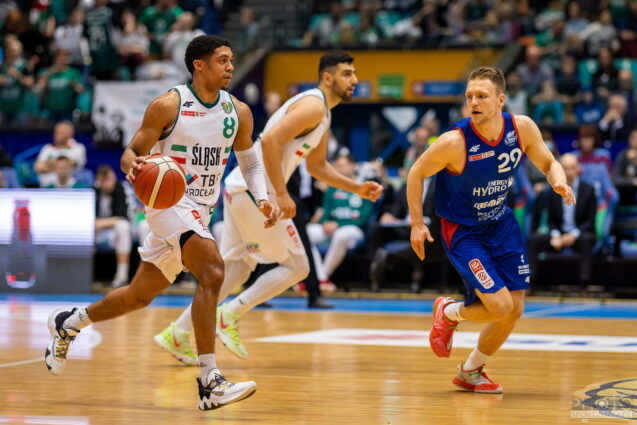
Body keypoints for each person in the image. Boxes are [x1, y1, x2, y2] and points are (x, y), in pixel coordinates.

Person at [44, 35, 276, 411]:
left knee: (139, 295)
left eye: (231, 60)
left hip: (202, 209)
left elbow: (249, 161)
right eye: (222, 60)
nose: (231, 67)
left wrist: (263, 198)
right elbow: (132, 152)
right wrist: (132, 163)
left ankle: (70, 321)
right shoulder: (169, 105)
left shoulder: (239, 112)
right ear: (199, 65)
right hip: (167, 203)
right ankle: (209, 382)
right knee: (213, 271)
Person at [155, 51, 382, 361]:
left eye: (354, 73)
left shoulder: (323, 112)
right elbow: (271, 141)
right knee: (298, 267)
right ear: (328, 78)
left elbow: (317, 166)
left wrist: (357, 187)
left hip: (241, 188)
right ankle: (229, 315)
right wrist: (281, 194)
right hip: (256, 192)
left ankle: (178, 333)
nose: (354, 80)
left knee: (236, 269)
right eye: (347, 74)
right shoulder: (314, 106)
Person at [408, 66, 575, 393]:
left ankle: (471, 371)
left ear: (500, 100)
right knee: (499, 306)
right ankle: (449, 312)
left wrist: (558, 181)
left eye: (482, 96)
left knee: (515, 309)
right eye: (469, 96)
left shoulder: (521, 128)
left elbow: (549, 162)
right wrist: (416, 223)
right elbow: (416, 173)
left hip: (501, 224)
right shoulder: (454, 142)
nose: (474, 102)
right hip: (464, 232)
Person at [307, 153, 375, 288]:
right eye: (336, 167)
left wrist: (338, 225)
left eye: (342, 166)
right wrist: (325, 223)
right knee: (306, 232)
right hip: (332, 228)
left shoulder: (364, 186)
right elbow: (326, 211)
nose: (339, 170)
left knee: (341, 234)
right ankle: (319, 276)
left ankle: (322, 277)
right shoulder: (332, 187)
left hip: (354, 230)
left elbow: (364, 218)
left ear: (353, 166)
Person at [528, 154, 596, 286]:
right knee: (534, 239)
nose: (569, 172)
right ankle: (530, 282)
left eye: (572, 168)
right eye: (565, 168)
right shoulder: (552, 191)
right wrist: (556, 235)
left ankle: (584, 285)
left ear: (578, 169)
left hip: (579, 234)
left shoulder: (588, 190)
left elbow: (589, 221)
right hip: (559, 234)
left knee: (587, 240)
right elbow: (551, 221)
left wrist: (573, 235)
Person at [93, 165, 132, 287]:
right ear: (98, 180)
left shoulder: (122, 188)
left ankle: (122, 276)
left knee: (123, 227)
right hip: (100, 231)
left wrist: (101, 223)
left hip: (127, 227)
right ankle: (85, 276)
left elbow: (123, 217)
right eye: (103, 179)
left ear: (114, 177)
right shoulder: (94, 191)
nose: (107, 183)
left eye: (108, 178)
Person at [35, 121, 87, 188]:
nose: (56, 135)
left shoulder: (77, 148)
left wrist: (49, 164)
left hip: (71, 188)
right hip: (48, 188)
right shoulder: (47, 148)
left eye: (60, 133)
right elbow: (38, 167)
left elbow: (72, 164)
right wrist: (61, 165)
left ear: (69, 134)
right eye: (56, 132)